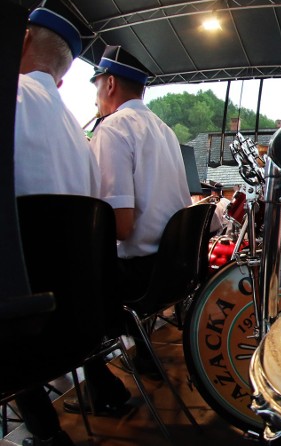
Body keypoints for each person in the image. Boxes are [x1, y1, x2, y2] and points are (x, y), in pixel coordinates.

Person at [62, 45, 191, 416]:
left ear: (110, 83)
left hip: (136, 278)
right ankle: (144, 358)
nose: (97, 94)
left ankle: (104, 391)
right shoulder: (165, 131)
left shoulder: (114, 129)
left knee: (66, 280)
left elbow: (120, 226)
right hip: (167, 273)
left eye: (97, 85)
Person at [11, 0, 98, 446]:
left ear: (20, 38)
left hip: (17, 323)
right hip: (71, 325)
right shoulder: (80, 138)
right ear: (62, 80)